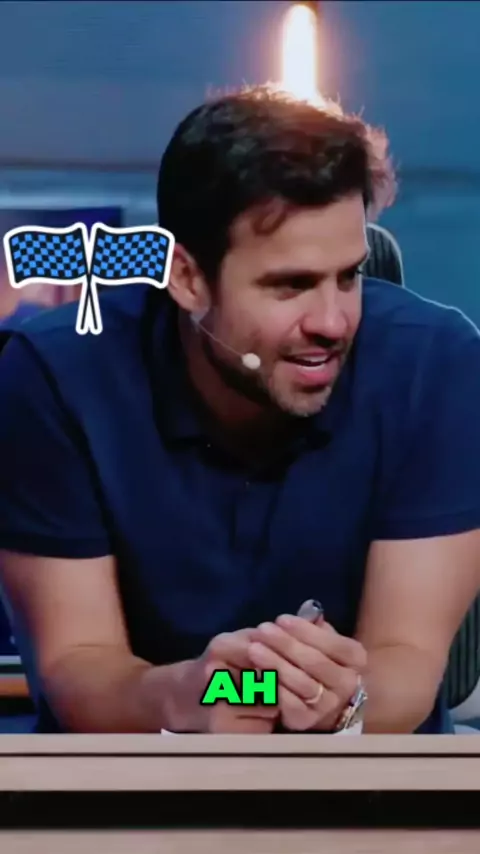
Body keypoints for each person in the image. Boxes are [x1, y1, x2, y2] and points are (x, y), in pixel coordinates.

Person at [0, 86, 479, 735]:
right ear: (187, 278)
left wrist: (331, 699)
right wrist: (196, 693)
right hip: (133, 779)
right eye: (291, 284)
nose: (333, 321)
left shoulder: (437, 364)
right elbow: (77, 666)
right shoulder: (54, 376)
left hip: (371, 775)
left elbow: (408, 662)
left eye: (348, 276)